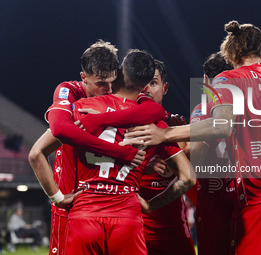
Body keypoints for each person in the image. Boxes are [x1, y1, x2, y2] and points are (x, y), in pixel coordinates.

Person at [122, 20, 261, 255]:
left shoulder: (227, 81)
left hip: (258, 200)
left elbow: (221, 128)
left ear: (229, 55)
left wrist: (165, 134)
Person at [29, 40, 165, 255]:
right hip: (80, 203)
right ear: (84, 78)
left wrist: (102, 119)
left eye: (112, 81)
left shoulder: (86, 109)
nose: (108, 89)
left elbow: (156, 112)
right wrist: (121, 153)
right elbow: (59, 130)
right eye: (101, 82)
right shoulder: (70, 93)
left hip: (84, 208)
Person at [64, 49, 196, 255]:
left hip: (85, 211)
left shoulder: (82, 107)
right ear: (143, 86)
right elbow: (189, 178)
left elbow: (38, 151)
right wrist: (151, 205)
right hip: (127, 217)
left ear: (118, 74)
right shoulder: (156, 124)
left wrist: (56, 196)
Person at [138, 60, 195, 255]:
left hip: (175, 234)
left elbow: (193, 168)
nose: (146, 89)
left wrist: (181, 152)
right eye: (141, 82)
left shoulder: (176, 127)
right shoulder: (118, 127)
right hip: (134, 234)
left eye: (153, 82)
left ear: (165, 88)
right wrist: (145, 166)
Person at [189, 51, 235, 255]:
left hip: (215, 201)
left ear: (206, 80)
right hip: (248, 200)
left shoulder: (204, 109)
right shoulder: (252, 108)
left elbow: (197, 155)